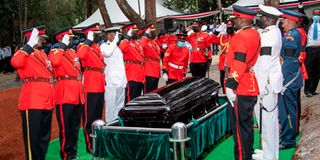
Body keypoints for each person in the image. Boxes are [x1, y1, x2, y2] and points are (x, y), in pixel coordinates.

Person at [11, 26, 54, 160]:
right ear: (31, 38)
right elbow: (15, 62)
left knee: (44, 137)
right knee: (33, 140)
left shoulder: (42, 54)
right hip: (33, 100)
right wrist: (29, 44)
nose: (42, 40)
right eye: (40, 38)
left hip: (46, 100)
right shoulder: (23, 52)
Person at [224, 5, 260, 160]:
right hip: (249, 82)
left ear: (244, 19)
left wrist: (230, 86)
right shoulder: (255, 34)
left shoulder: (240, 37)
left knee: (239, 128)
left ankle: (242, 157)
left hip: (240, 85)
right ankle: (248, 154)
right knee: (246, 126)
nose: (234, 22)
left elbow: (239, 63)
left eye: (236, 19)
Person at [251, 5, 283, 160]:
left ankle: (270, 156)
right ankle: (268, 151)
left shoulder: (269, 36)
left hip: (266, 84)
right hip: (267, 82)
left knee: (267, 121)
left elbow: (264, 63)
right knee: (266, 120)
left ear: (269, 18)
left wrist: (261, 86)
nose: (260, 19)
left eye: (262, 16)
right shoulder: (271, 32)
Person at [49, 28, 84, 159]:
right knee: (65, 127)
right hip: (65, 93)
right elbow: (55, 62)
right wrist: (62, 45)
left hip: (77, 93)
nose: (71, 39)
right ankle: (65, 154)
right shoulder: (55, 51)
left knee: (75, 125)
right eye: (68, 37)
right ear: (61, 38)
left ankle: (73, 152)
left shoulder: (72, 52)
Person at [77, 23, 105, 153]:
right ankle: (90, 145)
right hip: (90, 84)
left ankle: (98, 142)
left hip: (99, 83)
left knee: (98, 116)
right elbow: (81, 56)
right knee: (89, 117)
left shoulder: (96, 47)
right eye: (95, 33)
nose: (97, 36)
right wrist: (88, 40)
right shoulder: (83, 46)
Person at [278, 9, 304, 149]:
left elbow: (288, 61)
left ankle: (288, 140)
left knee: (287, 111)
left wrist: (284, 82)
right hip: (289, 78)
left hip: (288, 79)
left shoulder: (291, 36)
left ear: (292, 21)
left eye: (285, 20)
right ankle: (287, 136)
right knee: (287, 110)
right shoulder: (289, 34)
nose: (282, 22)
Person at [100, 26, 127, 123]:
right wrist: (115, 42)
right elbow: (107, 53)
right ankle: (109, 126)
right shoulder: (104, 46)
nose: (115, 37)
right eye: (112, 35)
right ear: (107, 35)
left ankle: (117, 125)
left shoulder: (117, 47)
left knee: (119, 107)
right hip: (111, 82)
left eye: (116, 35)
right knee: (110, 107)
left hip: (121, 81)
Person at [119, 24, 144, 102]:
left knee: (138, 96)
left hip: (139, 73)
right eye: (134, 31)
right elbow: (121, 48)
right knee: (130, 96)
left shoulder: (136, 43)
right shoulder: (125, 42)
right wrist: (127, 36)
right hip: (131, 72)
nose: (136, 33)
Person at [299, 4, 320, 97]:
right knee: (309, 70)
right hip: (310, 50)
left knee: (317, 71)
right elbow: (302, 15)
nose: (317, 15)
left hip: (319, 50)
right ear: (312, 15)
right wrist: (300, 7)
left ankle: (313, 90)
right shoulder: (309, 22)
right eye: (315, 14)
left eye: (318, 14)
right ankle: (307, 90)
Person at [210, 20, 235, 94]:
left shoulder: (236, 36)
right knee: (222, 78)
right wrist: (217, 31)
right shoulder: (222, 37)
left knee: (232, 77)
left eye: (231, 27)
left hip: (233, 60)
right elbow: (210, 39)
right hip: (223, 60)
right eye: (228, 27)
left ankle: (233, 93)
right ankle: (224, 93)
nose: (229, 29)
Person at [139, 24, 161, 93]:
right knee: (148, 91)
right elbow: (142, 45)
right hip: (149, 70)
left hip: (156, 70)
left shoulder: (153, 42)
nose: (153, 33)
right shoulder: (144, 41)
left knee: (155, 91)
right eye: (151, 32)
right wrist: (145, 36)